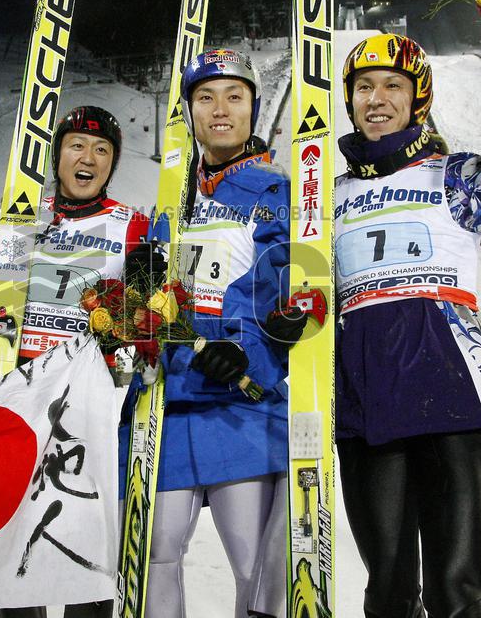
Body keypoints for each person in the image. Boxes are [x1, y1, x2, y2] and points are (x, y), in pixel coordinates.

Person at [334, 16, 481, 618]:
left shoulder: (456, 178)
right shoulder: (325, 196)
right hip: (367, 410)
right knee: (388, 595)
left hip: (453, 400)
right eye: (365, 87)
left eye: (393, 85)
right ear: (349, 100)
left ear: (419, 97)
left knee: (455, 592)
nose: (377, 99)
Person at [0, 105, 153, 618]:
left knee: (84, 540)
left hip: (86, 401)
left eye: (102, 150)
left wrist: (148, 281)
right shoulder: (25, 216)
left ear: (112, 164)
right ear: (57, 155)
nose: (89, 158)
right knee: (19, 547)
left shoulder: (130, 224)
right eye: (77, 146)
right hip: (23, 396)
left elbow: (152, 319)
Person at [132, 49, 301, 618]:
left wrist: (248, 351)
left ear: (255, 106)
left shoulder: (280, 194)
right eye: (206, 97)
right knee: (152, 558)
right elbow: (148, 302)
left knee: (256, 573)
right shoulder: (169, 204)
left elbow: (303, 295)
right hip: (171, 409)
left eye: (235, 96)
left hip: (243, 406)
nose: (220, 109)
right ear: (189, 109)